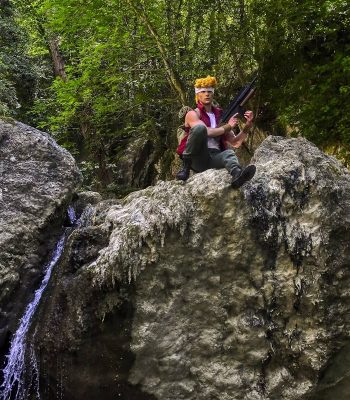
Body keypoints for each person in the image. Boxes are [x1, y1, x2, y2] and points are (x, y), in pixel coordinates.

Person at [176, 76, 256, 188]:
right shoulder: (192, 114)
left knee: (229, 153)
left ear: (213, 94)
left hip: (214, 158)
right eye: (203, 92)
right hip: (197, 158)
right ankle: (185, 168)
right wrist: (228, 126)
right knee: (200, 129)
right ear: (197, 95)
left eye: (209, 91)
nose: (207, 94)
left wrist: (247, 126)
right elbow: (207, 131)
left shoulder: (219, 116)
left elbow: (235, 142)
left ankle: (237, 176)